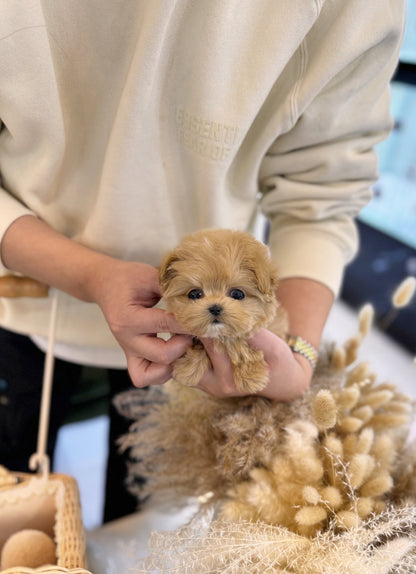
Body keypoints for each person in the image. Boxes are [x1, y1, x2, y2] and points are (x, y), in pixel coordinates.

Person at [0, 1, 406, 522]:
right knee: (15, 501)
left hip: (190, 349)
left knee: (149, 501)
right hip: (26, 295)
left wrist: (298, 355)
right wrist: (85, 274)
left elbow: (323, 191)